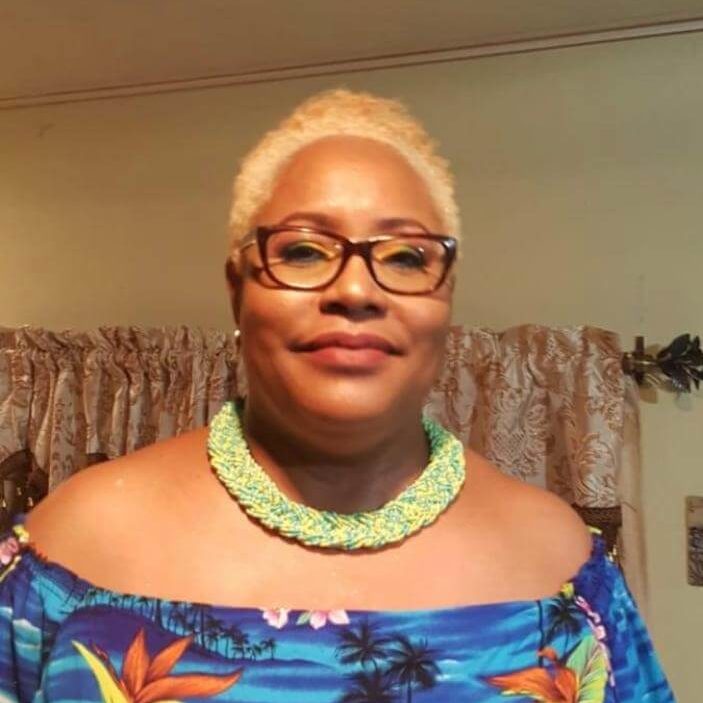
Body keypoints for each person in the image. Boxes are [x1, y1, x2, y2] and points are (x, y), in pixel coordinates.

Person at [0, 90, 673, 702]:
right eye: (301, 250)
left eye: (406, 257)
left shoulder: (562, 568)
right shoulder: (74, 547)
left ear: (445, 297)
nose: (355, 290)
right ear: (237, 289)